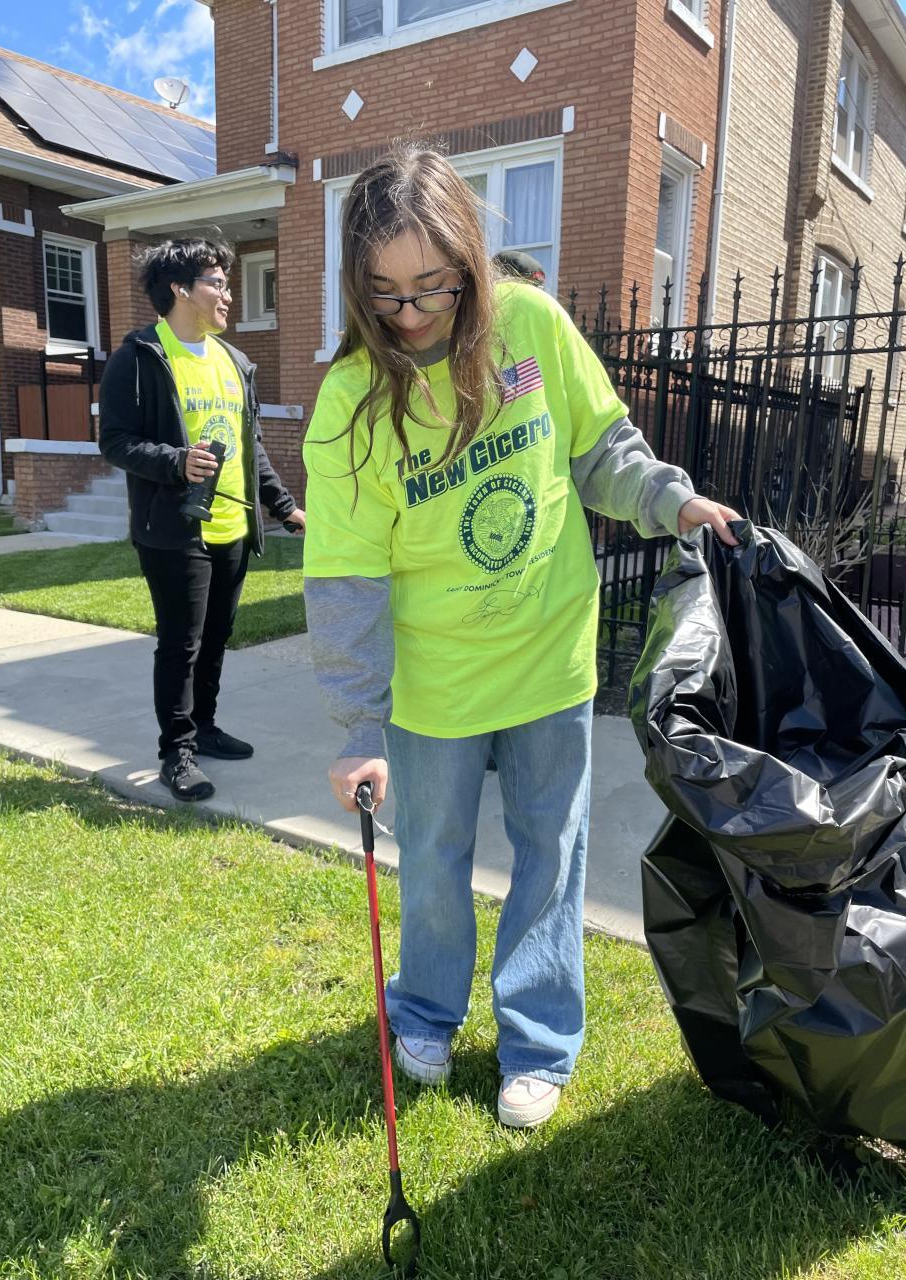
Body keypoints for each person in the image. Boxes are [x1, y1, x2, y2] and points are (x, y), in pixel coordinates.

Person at [302, 146, 739, 1129]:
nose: (411, 315)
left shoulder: (531, 328)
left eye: (433, 286)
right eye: (385, 294)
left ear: (469, 257)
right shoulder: (349, 404)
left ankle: (538, 1040)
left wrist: (670, 500)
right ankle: (426, 1009)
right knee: (434, 859)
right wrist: (359, 725)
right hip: (435, 686)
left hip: (548, 657)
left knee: (551, 853)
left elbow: (601, 451)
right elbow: (346, 579)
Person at [99, 237, 305, 802]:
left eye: (227, 283)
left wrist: (283, 506)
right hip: (175, 529)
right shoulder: (139, 357)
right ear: (180, 290)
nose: (228, 294)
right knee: (181, 644)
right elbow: (114, 441)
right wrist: (176, 462)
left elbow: (250, 446)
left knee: (216, 637)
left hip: (232, 526)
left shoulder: (233, 361)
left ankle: (205, 728)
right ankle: (177, 752)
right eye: (217, 283)